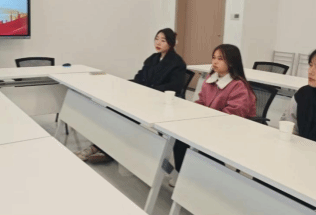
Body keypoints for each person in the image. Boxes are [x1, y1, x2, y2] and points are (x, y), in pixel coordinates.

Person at [76, 28, 186, 163]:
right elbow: (140, 76)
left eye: (163, 40)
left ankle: (103, 148)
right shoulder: (153, 58)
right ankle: (102, 147)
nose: (158, 43)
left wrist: (148, 91)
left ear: (171, 43)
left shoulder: (177, 62)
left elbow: (174, 86)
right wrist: (127, 86)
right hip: (145, 99)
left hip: (160, 104)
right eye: (156, 39)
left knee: (122, 115)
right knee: (113, 110)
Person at [173, 44, 256, 175]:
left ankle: (203, 177)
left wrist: (206, 121)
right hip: (210, 125)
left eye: (220, 58)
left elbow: (232, 116)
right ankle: (184, 174)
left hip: (229, 131)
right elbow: (201, 101)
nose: (215, 62)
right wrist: (192, 111)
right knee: (180, 138)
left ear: (232, 62)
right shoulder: (210, 79)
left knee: (205, 148)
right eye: (214, 57)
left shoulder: (238, 86)